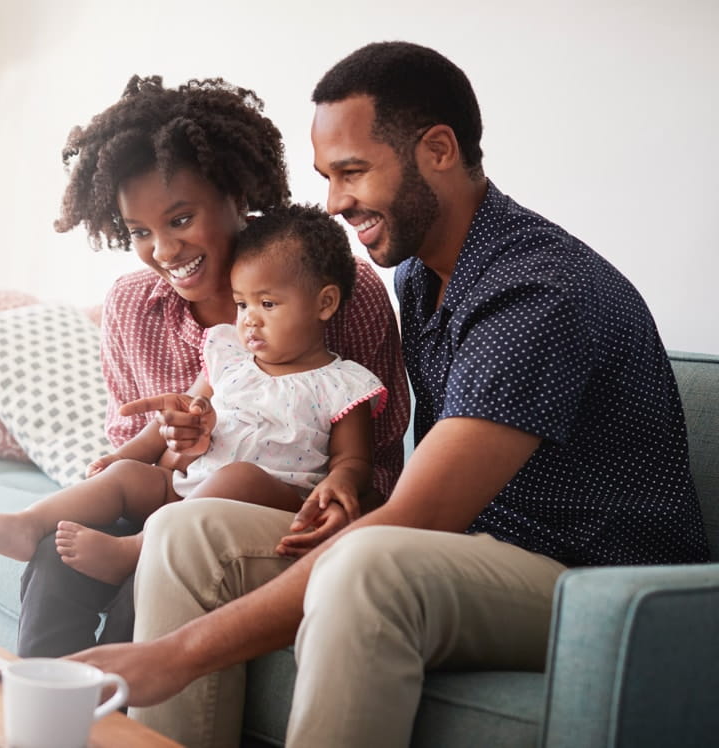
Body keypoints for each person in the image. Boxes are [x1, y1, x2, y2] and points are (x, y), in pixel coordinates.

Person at [67, 42, 711, 748]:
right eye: (328, 177)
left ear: (437, 149)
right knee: (187, 530)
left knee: (366, 568)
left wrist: (174, 655)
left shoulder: (536, 292)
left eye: (352, 173)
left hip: (598, 583)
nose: (336, 202)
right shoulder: (422, 275)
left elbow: (422, 515)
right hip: (480, 549)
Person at [9, 75, 411, 659]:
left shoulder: (341, 288)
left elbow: (375, 471)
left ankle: (115, 723)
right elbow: (142, 466)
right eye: (140, 232)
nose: (164, 251)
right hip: (172, 498)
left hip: (271, 517)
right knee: (54, 558)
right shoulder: (132, 306)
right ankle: (43, 715)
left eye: (179, 219)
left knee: (152, 581)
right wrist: (179, 447)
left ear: (235, 195)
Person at [0, 204, 387, 588]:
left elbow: (353, 460)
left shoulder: (343, 383)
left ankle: (136, 551)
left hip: (267, 500)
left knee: (239, 475)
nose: (250, 321)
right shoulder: (228, 357)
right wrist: (125, 456)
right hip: (188, 486)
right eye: (241, 305)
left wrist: (340, 483)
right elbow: (179, 413)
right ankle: (30, 523)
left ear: (325, 303)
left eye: (268, 305)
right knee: (126, 475)